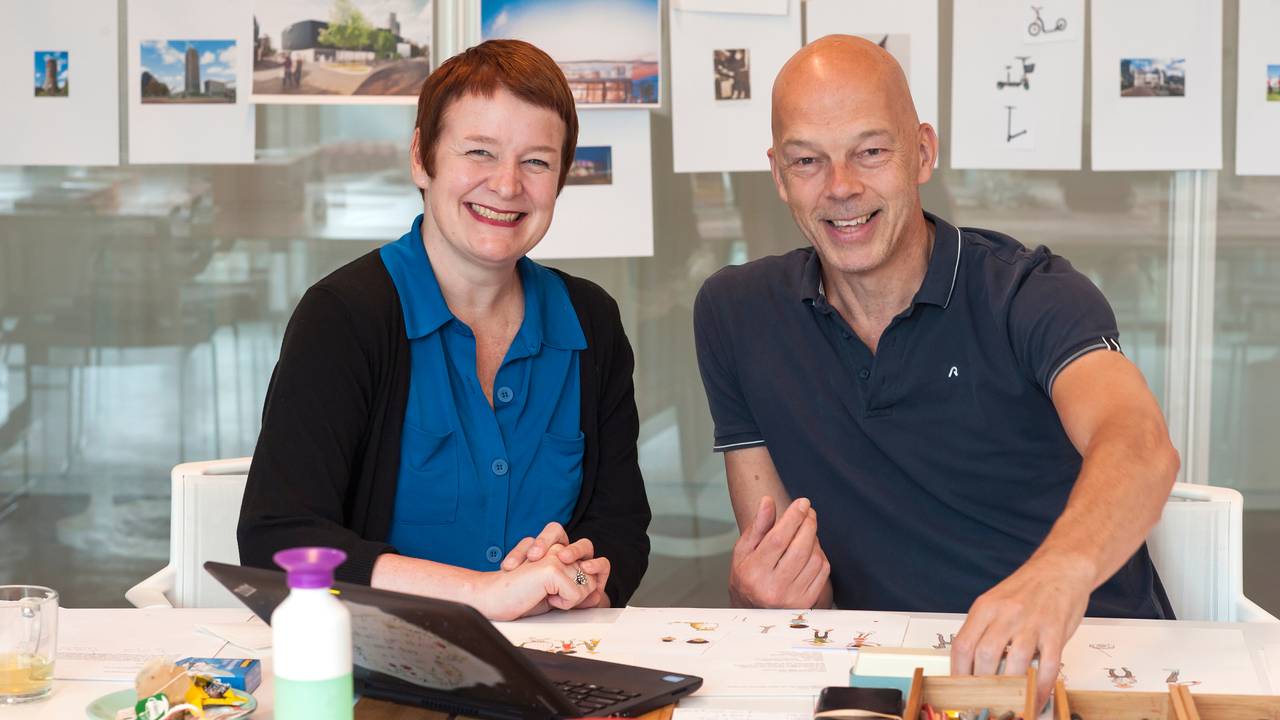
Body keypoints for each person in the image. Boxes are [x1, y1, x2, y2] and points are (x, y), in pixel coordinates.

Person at [692, 35, 1179, 706]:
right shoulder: (736, 313)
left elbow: (1142, 446)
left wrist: (1054, 577)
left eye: (871, 151)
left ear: (922, 152)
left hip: (1087, 668)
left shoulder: (1029, 293)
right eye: (809, 160)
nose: (841, 187)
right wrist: (766, 593)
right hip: (890, 678)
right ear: (778, 174)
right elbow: (795, 577)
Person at [239, 39, 651, 622]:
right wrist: (482, 594)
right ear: (421, 158)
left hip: (559, 662)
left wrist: (583, 575)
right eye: (479, 152)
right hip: (381, 670)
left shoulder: (591, 321)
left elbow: (621, 529)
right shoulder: (344, 316)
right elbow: (276, 544)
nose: (507, 185)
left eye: (536, 160)